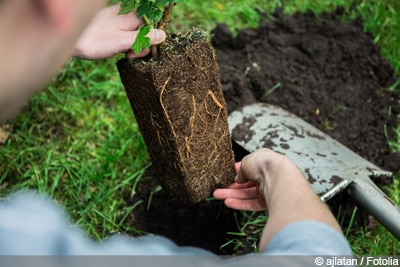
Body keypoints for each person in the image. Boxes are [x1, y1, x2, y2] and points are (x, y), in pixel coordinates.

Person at [0, 0, 352, 264]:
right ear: (53, 6)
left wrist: (69, 35)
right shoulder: (31, 245)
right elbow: (319, 257)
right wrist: (281, 174)